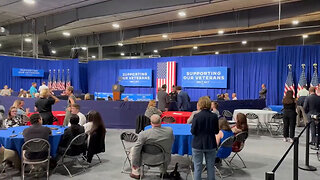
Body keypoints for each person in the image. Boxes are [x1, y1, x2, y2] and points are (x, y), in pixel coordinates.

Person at [130, 114, 174, 179]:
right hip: (163, 158)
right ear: (161, 121)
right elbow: (171, 143)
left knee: (133, 149)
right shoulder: (169, 131)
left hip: (146, 158)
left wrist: (135, 164)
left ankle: (135, 172)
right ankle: (163, 171)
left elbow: (137, 149)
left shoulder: (144, 134)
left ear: (151, 123)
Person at [191, 96, 219, 180]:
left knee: (197, 167)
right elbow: (216, 131)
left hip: (198, 144)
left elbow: (193, 131)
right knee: (210, 167)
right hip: (211, 144)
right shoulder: (214, 116)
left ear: (200, 104)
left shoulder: (196, 116)